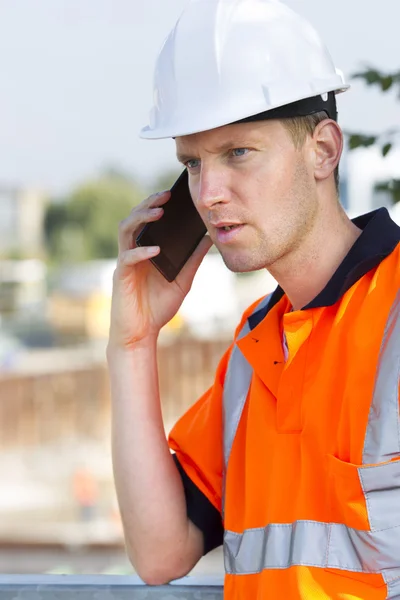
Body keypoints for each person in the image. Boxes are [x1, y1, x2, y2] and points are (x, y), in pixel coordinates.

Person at [107, 0, 400, 597]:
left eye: (238, 153)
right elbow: (161, 554)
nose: (209, 193)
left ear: (322, 150)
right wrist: (133, 345)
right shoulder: (253, 350)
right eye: (192, 163)